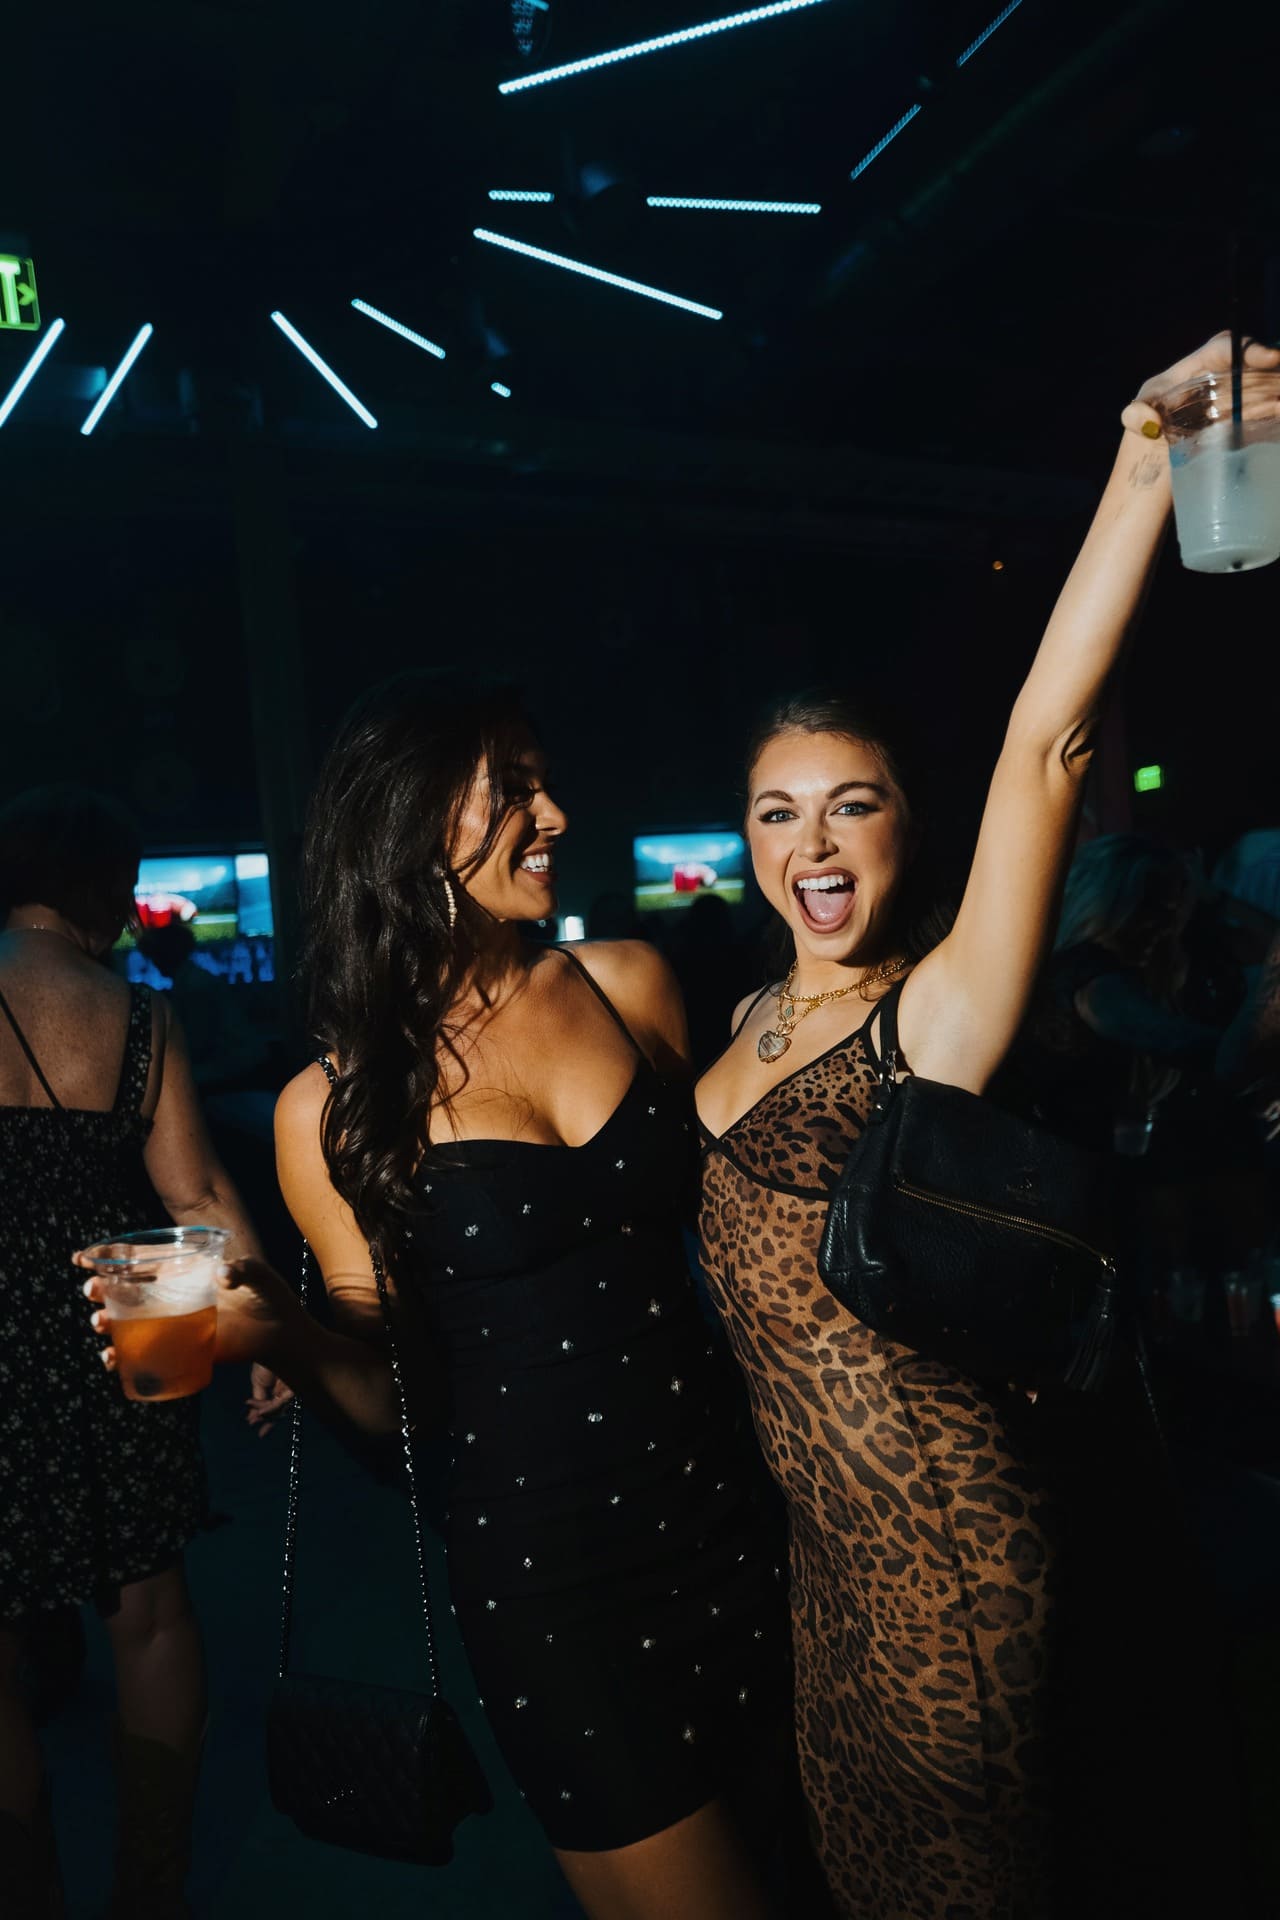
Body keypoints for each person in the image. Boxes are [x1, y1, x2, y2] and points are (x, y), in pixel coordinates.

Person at [694, 331, 1279, 1919]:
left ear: (905, 825)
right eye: (776, 809)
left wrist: (1148, 465)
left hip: (957, 1594)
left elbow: (1044, 746)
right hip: (827, 1593)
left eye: (853, 804)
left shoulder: (934, 1021)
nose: (812, 845)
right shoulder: (733, 1037)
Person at [136, 677, 792, 1920]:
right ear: (415, 822)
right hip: (556, 1587)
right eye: (514, 789)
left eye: (544, 781)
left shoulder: (628, 984)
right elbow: (393, 1412)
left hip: (744, 1516)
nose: (553, 813)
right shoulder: (325, 1111)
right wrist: (278, 1325)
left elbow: (745, 1233)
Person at [0, 784, 265, 1919]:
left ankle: (27, 1891)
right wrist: (269, 1337)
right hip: (118, 1341)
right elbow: (197, 1193)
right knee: (150, 1614)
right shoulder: (137, 1016)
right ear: (104, 888)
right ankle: (150, 1895)